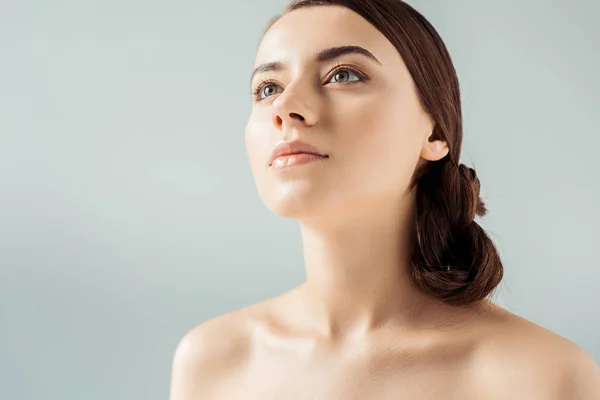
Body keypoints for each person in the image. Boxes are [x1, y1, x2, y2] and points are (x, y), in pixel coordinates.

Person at [169, 0, 600, 398]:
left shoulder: (544, 377)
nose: (287, 107)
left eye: (343, 75)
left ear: (433, 133)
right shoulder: (212, 361)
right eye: (267, 88)